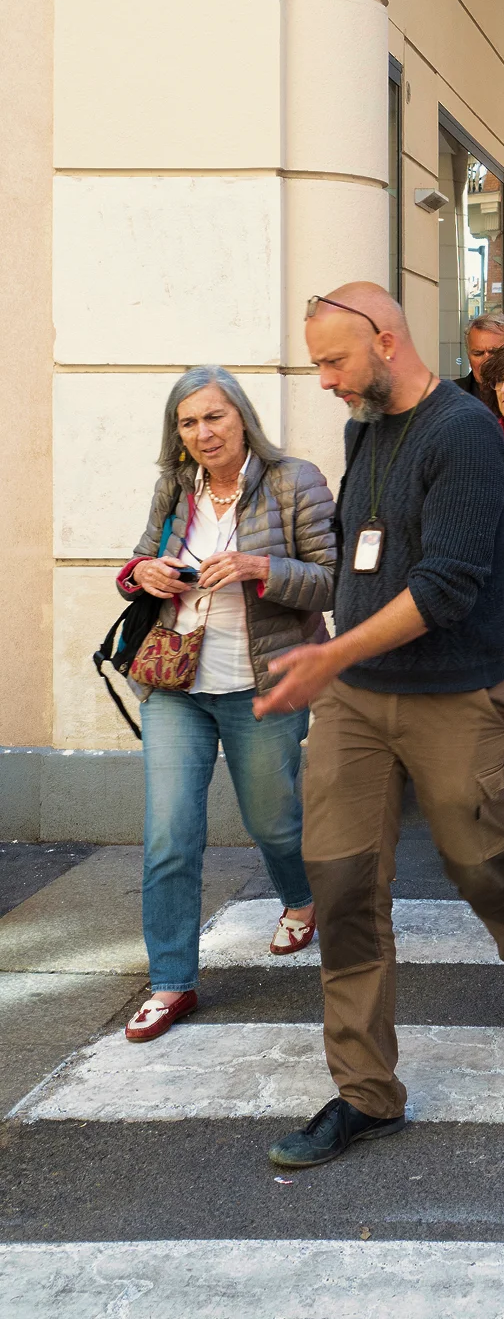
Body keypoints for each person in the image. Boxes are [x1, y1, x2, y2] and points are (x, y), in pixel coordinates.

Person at [258, 284, 504, 1173]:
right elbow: (364, 552)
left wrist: (328, 652)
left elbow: (446, 586)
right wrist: (334, 659)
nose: (323, 379)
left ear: (386, 341)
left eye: (334, 360)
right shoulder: (363, 427)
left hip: (451, 693)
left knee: (479, 863)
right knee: (347, 884)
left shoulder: (465, 432)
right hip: (353, 696)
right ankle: (366, 1092)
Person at [116, 370, 335, 1043]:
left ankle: (301, 898)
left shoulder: (293, 479)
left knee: (273, 822)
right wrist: (142, 574)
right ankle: (172, 981)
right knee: (169, 836)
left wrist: (258, 567)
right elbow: (136, 564)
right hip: (176, 683)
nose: (202, 433)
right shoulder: (174, 487)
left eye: (214, 417)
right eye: (188, 422)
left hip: (262, 682)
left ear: (241, 417)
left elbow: (329, 578)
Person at [456, 312, 504, 394]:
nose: (486, 361)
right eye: (478, 353)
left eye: (494, 352)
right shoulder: (452, 396)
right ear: (468, 356)